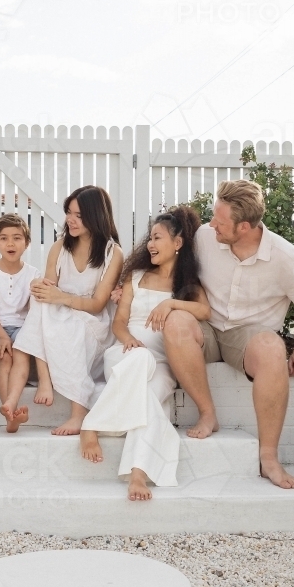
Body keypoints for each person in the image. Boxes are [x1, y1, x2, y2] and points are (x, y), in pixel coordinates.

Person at [192, 179, 294, 489]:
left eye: (220, 221)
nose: (212, 225)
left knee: (271, 347)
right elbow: (161, 257)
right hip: (206, 327)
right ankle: (206, 414)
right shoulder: (204, 237)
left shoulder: (287, 259)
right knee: (175, 324)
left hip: (248, 338)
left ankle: (268, 458)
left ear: (245, 227)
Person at [80, 206, 211, 501]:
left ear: (178, 244)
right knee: (140, 359)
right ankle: (98, 431)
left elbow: (205, 310)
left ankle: (136, 470)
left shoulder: (187, 284)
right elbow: (119, 322)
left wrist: (172, 304)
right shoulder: (136, 276)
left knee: (151, 403)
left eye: (158, 237)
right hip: (125, 354)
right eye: (150, 237)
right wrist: (128, 340)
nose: (150, 244)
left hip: (163, 363)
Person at [4, 185, 124, 435]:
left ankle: (78, 412)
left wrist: (60, 297)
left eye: (79, 215)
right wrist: (40, 288)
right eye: (69, 212)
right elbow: (49, 289)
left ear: (96, 216)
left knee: (73, 326)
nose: (70, 219)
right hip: (59, 310)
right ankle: (44, 381)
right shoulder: (60, 247)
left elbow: (98, 304)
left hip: (92, 319)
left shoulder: (113, 253)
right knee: (39, 301)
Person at [0, 213, 46, 432]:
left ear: (26, 243)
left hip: (21, 328)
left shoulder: (32, 273)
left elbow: (33, 311)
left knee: (20, 353)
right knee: (4, 359)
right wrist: (2, 337)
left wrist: (16, 336)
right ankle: (10, 415)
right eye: (4, 238)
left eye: (17, 238)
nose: (10, 243)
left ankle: (10, 407)